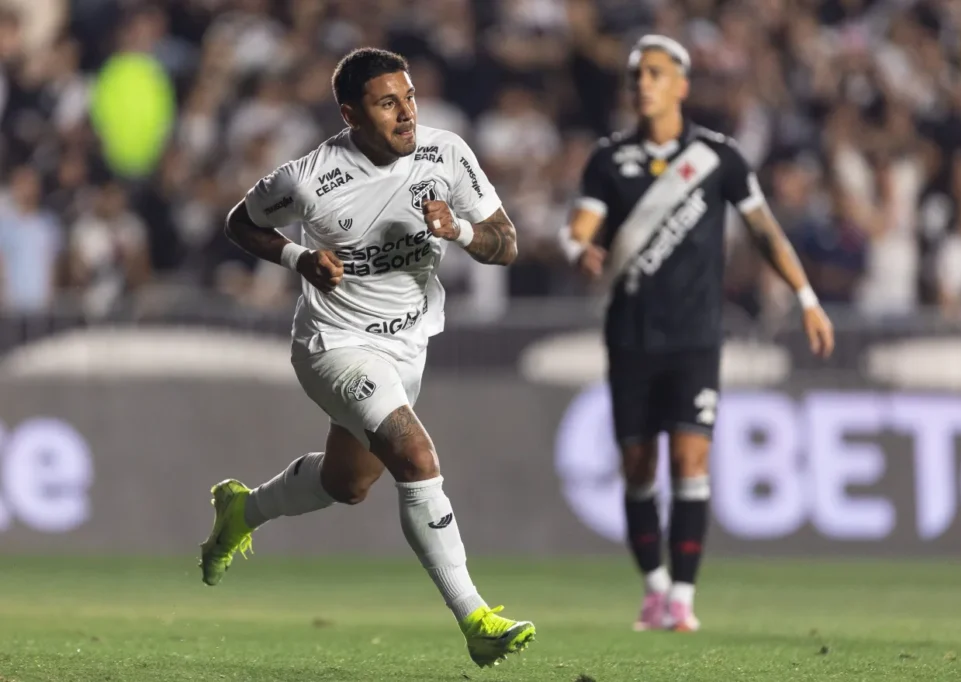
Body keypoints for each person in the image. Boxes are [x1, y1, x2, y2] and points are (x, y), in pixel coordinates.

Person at [200, 47, 534, 668]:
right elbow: (238, 224)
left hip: (408, 344)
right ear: (351, 115)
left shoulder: (447, 153)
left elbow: (506, 245)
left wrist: (458, 230)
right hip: (335, 345)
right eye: (388, 104)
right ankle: (476, 617)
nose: (406, 114)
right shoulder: (309, 178)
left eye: (409, 98)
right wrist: (299, 259)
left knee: (347, 483)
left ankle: (243, 509)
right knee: (415, 454)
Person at [559, 35, 835, 632]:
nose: (644, 84)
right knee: (638, 468)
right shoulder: (608, 159)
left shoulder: (718, 157)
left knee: (691, 459)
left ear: (681, 85)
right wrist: (581, 249)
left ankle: (682, 597)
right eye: (636, 75)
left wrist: (807, 298)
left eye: (656, 73)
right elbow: (579, 226)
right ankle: (653, 587)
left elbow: (765, 231)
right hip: (630, 336)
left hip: (695, 339)